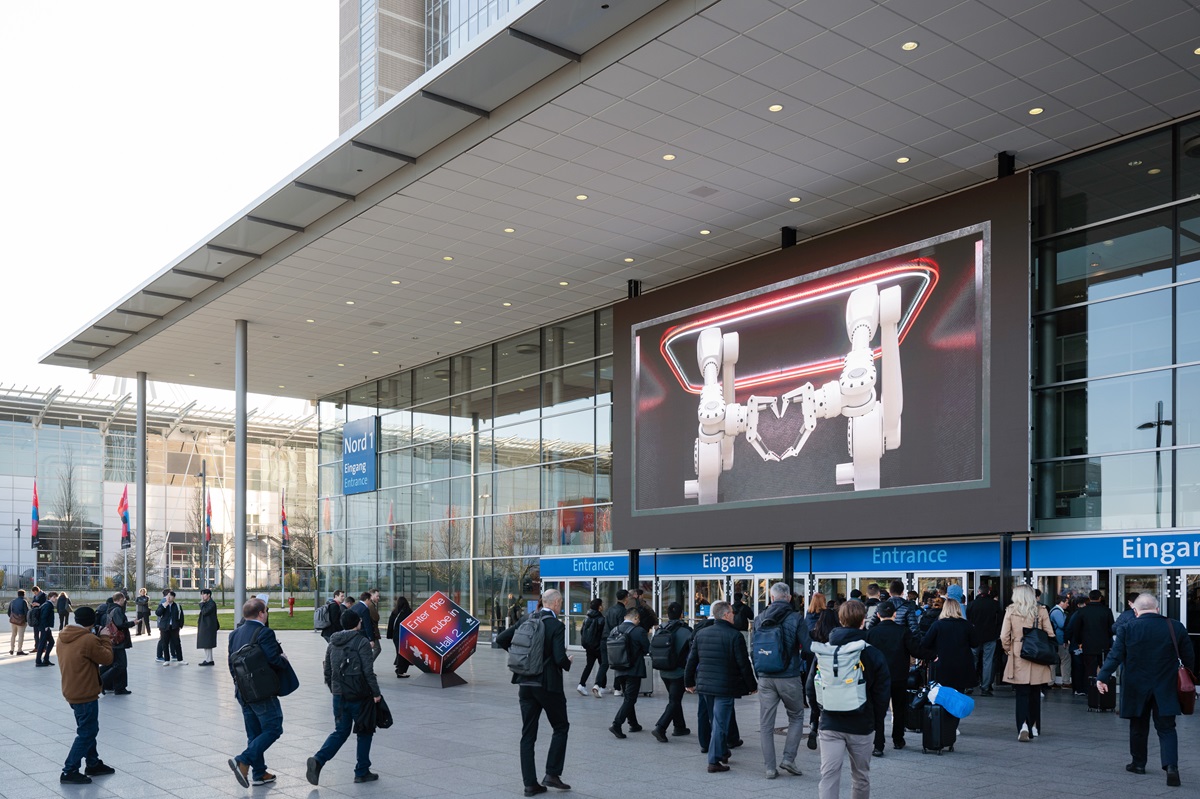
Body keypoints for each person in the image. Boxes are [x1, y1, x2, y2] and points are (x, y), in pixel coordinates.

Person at [1097, 593, 1195, 787]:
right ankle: (1171, 767)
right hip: (1166, 686)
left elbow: (1115, 656)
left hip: (1136, 686)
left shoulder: (1127, 628)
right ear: (1157, 609)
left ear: (1135, 610)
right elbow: (1189, 656)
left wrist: (1102, 677)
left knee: (1138, 726)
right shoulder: (1175, 627)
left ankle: (1138, 764)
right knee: (1167, 728)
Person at [496, 588, 574, 797]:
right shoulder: (556, 625)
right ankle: (552, 774)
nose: (561, 606)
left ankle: (530, 784)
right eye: (561, 603)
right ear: (556, 603)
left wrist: (523, 658)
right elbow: (559, 658)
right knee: (561, 727)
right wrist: (568, 663)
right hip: (548, 685)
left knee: (528, 735)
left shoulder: (526, 619)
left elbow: (502, 639)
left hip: (525, 684)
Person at [810, 600, 890, 799]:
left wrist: (819, 713)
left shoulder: (826, 651)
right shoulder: (872, 653)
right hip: (862, 724)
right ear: (863, 621)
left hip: (830, 723)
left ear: (840, 620)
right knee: (861, 776)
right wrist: (876, 722)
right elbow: (882, 694)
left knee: (828, 776)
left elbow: (811, 687)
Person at [307, 609, 382, 785]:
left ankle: (318, 760)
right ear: (357, 623)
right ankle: (362, 771)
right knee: (365, 731)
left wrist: (334, 689)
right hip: (359, 694)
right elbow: (368, 671)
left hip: (339, 695)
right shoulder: (362, 642)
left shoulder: (333, 642)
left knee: (340, 731)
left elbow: (327, 670)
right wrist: (376, 693)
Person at [228, 597, 296, 788]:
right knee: (274, 728)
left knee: (254, 733)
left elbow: (231, 663)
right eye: (266, 611)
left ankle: (259, 773)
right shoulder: (265, 632)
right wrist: (284, 659)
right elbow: (273, 659)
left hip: (243, 691)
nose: (266, 614)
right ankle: (243, 760)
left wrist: (240, 684)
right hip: (262, 691)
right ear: (260, 613)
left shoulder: (234, 634)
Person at [684, 600, 757, 773]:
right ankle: (714, 760)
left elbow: (692, 660)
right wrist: (752, 685)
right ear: (725, 615)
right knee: (719, 723)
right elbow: (743, 664)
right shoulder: (735, 636)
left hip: (705, 685)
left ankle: (723, 751)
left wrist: (689, 682)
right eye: (732, 613)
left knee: (715, 720)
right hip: (725, 686)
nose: (734, 615)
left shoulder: (701, 634)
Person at [753, 582, 810, 779]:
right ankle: (788, 759)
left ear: (771, 598)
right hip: (789, 676)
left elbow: (754, 649)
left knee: (766, 724)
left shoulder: (759, 618)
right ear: (789, 598)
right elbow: (808, 648)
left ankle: (770, 768)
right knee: (796, 716)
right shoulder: (796, 617)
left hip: (765, 677)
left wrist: (759, 673)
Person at [56, 606, 116, 784]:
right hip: (85, 692)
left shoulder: (64, 635)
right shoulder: (88, 639)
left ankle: (92, 763)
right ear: (92, 622)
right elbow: (107, 658)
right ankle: (69, 770)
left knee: (87, 729)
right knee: (88, 731)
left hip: (72, 690)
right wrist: (105, 637)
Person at [865, 598, 925, 755]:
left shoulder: (871, 633)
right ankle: (898, 739)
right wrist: (933, 655)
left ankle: (878, 745)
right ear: (895, 614)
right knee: (899, 709)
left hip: (878, 678)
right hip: (899, 676)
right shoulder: (903, 631)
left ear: (878, 615)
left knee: (879, 711)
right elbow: (916, 650)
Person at [999, 584, 1055, 741]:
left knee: (1022, 693)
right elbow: (1050, 633)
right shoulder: (1041, 610)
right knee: (1035, 693)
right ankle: (1034, 726)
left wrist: (1008, 649)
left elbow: (1004, 635)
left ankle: (1023, 725)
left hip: (1019, 653)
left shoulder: (1011, 610)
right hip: (1038, 653)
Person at [651, 601, 693, 743]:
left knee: (674, 699)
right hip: (679, 672)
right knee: (674, 701)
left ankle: (679, 727)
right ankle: (661, 727)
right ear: (681, 615)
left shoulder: (660, 628)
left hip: (663, 670)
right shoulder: (686, 630)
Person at [608, 605, 650, 738]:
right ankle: (616, 724)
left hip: (618, 668)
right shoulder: (639, 631)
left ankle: (633, 723)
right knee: (630, 699)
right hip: (634, 670)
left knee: (628, 698)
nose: (639, 622)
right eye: (638, 619)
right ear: (635, 617)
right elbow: (646, 648)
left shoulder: (614, 630)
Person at [1068, 589, 1115, 686]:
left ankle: (1089, 690)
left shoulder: (1082, 611)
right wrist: (1108, 639)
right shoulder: (1106, 611)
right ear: (1100, 598)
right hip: (1103, 645)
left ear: (1089, 598)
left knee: (1089, 670)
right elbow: (1111, 628)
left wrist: (1079, 641)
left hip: (1088, 644)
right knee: (1105, 668)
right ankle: (1105, 688)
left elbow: (1077, 629)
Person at [966, 586, 1002, 696]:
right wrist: (997, 634)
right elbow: (999, 621)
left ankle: (969, 685)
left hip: (974, 637)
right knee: (988, 661)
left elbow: (968, 620)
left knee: (973, 661)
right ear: (989, 592)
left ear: (978, 592)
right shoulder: (994, 604)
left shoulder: (972, 604)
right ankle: (985, 687)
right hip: (990, 636)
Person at [99, 592, 134, 696]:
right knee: (121, 665)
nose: (124, 601)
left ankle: (114, 686)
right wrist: (133, 623)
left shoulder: (109, 609)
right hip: (118, 642)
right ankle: (104, 681)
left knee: (112, 664)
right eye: (123, 599)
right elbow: (120, 624)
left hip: (112, 641)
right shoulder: (117, 610)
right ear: (119, 599)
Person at [596, 589, 628, 695]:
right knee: (618, 664)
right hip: (616, 640)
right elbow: (621, 627)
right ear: (626, 598)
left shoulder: (610, 609)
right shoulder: (623, 611)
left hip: (605, 639)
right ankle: (617, 688)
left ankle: (597, 684)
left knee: (604, 664)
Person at [576, 598, 606, 697]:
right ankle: (601, 686)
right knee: (603, 665)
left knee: (589, 665)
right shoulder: (601, 619)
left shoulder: (587, 618)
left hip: (589, 646)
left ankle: (581, 684)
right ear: (599, 607)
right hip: (598, 646)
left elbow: (582, 631)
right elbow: (603, 633)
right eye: (601, 604)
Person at [385, 595, 413, 677]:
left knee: (399, 652)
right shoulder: (408, 612)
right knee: (404, 653)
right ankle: (400, 670)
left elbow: (390, 624)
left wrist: (389, 635)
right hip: (405, 636)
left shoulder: (395, 612)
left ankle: (399, 668)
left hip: (396, 636)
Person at [1048, 594, 1072, 689]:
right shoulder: (1057, 612)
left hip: (1055, 640)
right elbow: (1062, 625)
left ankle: (1051, 681)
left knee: (1054, 661)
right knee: (1065, 660)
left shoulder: (1054, 611)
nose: (1068, 605)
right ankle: (1065, 681)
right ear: (1061, 602)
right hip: (1059, 640)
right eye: (1067, 602)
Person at [156, 591, 185, 665]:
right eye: (167, 596)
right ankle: (167, 660)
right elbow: (158, 613)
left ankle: (180, 659)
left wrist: (180, 625)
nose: (168, 597)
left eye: (170, 596)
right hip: (164, 627)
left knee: (177, 643)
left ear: (173, 598)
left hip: (174, 627)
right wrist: (164, 606)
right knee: (165, 643)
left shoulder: (177, 606)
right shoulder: (163, 605)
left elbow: (181, 616)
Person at [196, 588, 220, 666]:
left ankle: (209, 660)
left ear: (208, 595)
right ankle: (208, 659)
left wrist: (201, 604)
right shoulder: (207, 603)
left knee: (208, 643)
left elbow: (205, 612)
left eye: (204, 594)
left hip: (209, 626)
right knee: (205, 643)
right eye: (202, 594)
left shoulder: (211, 603)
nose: (202, 596)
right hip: (205, 626)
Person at [36, 590, 59, 666]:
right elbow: (44, 616)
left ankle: (46, 659)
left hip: (45, 627)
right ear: (49, 597)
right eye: (54, 597)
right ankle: (38, 661)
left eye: (56, 597)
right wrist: (46, 626)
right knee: (42, 643)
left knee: (51, 642)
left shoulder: (47, 604)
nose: (55, 599)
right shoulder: (48, 605)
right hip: (44, 627)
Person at [8, 588, 29, 655]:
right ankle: (19, 650)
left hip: (13, 621)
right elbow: (26, 612)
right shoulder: (24, 601)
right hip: (21, 621)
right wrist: (26, 621)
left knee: (13, 635)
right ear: (23, 594)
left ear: (17, 594)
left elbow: (9, 612)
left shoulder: (12, 601)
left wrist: (13, 618)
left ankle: (12, 649)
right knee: (20, 636)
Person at [367, 588, 383, 658]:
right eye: (377, 596)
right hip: (372, 631)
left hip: (371, 631)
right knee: (377, 648)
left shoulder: (371, 605)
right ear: (371, 595)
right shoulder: (371, 605)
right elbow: (376, 618)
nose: (378, 598)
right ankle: (368, 663)